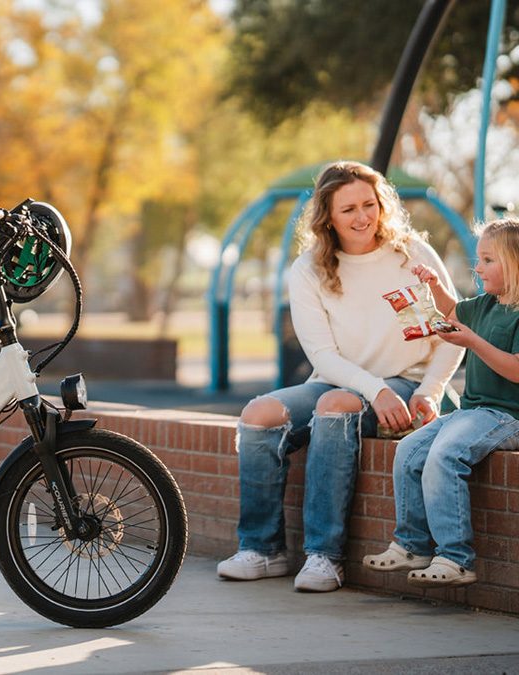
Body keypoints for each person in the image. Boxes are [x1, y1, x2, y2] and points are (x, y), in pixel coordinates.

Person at [217, 161, 463, 592]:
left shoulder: (412, 253)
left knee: (335, 407)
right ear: (327, 216)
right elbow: (322, 355)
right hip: (344, 381)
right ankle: (262, 549)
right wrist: (375, 390)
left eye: (370, 204)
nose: (362, 217)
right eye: (348, 209)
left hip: (408, 383)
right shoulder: (308, 268)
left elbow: (454, 331)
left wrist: (430, 390)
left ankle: (324, 557)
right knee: (258, 414)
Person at [363, 219, 519, 587]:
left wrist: (473, 344)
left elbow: (515, 369)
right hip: (473, 412)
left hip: (506, 415)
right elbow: (453, 313)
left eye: (487, 260)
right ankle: (411, 545)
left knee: (445, 454)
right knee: (410, 451)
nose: (477, 267)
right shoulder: (485, 304)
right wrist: (433, 286)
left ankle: (455, 557)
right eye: (478, 259)